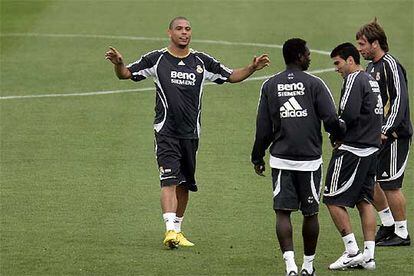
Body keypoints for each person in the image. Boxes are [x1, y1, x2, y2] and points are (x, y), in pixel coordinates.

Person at [105, 16, 270, 249]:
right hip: (166, 132)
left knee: (185, 184)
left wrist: (252, 67)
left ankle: (178, 230)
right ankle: (169, 229)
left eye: (188, 29)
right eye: (179, 29)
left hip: (191, 134)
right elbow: (126, 74)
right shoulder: (157, 59)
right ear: (169, 33)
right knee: (169, 180)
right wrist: (118, 64)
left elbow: (231, 75)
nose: (184, 33)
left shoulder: (201, 61)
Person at [251, 38, 344, 276]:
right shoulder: (315, 84)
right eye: (308, 53)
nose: (310, 57)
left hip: (281, 159)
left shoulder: (270, 85)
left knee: (283, 212)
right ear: (300, 57)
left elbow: (263, 127)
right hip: (310, 160)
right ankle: (308, 267)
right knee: (310, 213)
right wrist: (338, 135)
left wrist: (257, 156)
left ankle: (290, 266)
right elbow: (331, 118)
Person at [323, 43, 383, 270]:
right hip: (370, 149)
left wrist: (336, 137)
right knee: (364, 200)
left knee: (332, 198)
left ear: (350, 60)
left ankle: (351, 251)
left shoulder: (354, 79)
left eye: (338, 63)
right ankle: (368, 256)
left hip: (352, 150)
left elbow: (346, 114)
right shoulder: (371, 80)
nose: (336, 68)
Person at [356, 18, 412, 246]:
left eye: (362, 44)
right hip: (375, 135)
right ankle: (388, 224)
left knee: (390, 183)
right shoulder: (371, 67)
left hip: (395, 136)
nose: (359, 50)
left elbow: (400, 99)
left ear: (375, 43)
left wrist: (386, 130)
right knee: (372, 182)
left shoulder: (390, 65)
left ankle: (402, 233)